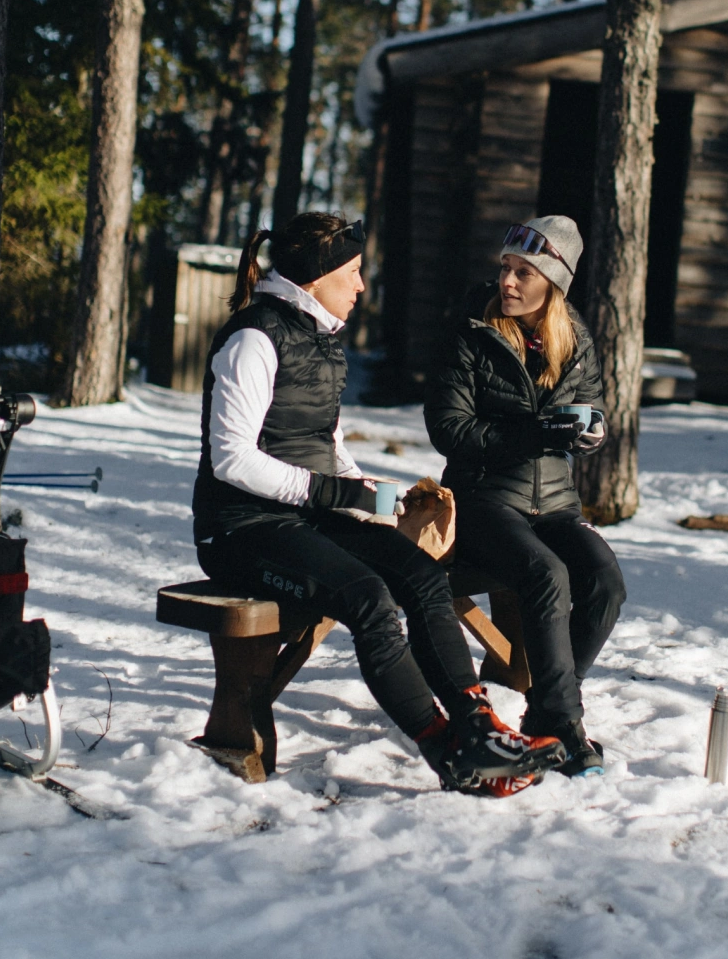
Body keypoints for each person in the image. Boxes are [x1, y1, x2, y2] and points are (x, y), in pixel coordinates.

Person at [192, 212, 565, 797]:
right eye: (355, 272)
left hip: (309, 515)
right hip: (241, 529)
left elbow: (328, 445)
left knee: (421, 574)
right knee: (366, 598)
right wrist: (334, 493)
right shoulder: (253, 338)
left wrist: (378, 498)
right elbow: (231, 459)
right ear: (317, 277)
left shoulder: (321, 339)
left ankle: (477, 725)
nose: (362, 285)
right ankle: (446, 751)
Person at [425, 215, 627, 777]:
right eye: (505, 269)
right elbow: (450, 431)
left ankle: (546, 711)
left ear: (554, 283)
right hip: (484, 499)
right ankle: (564, 728)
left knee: (605, 582)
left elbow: (591, 408)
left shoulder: (574, 336)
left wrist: (592, 433)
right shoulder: (471, 330)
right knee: (544, 574)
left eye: (524, 272)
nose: (507, 282)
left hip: (556, 502)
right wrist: (535, 433)